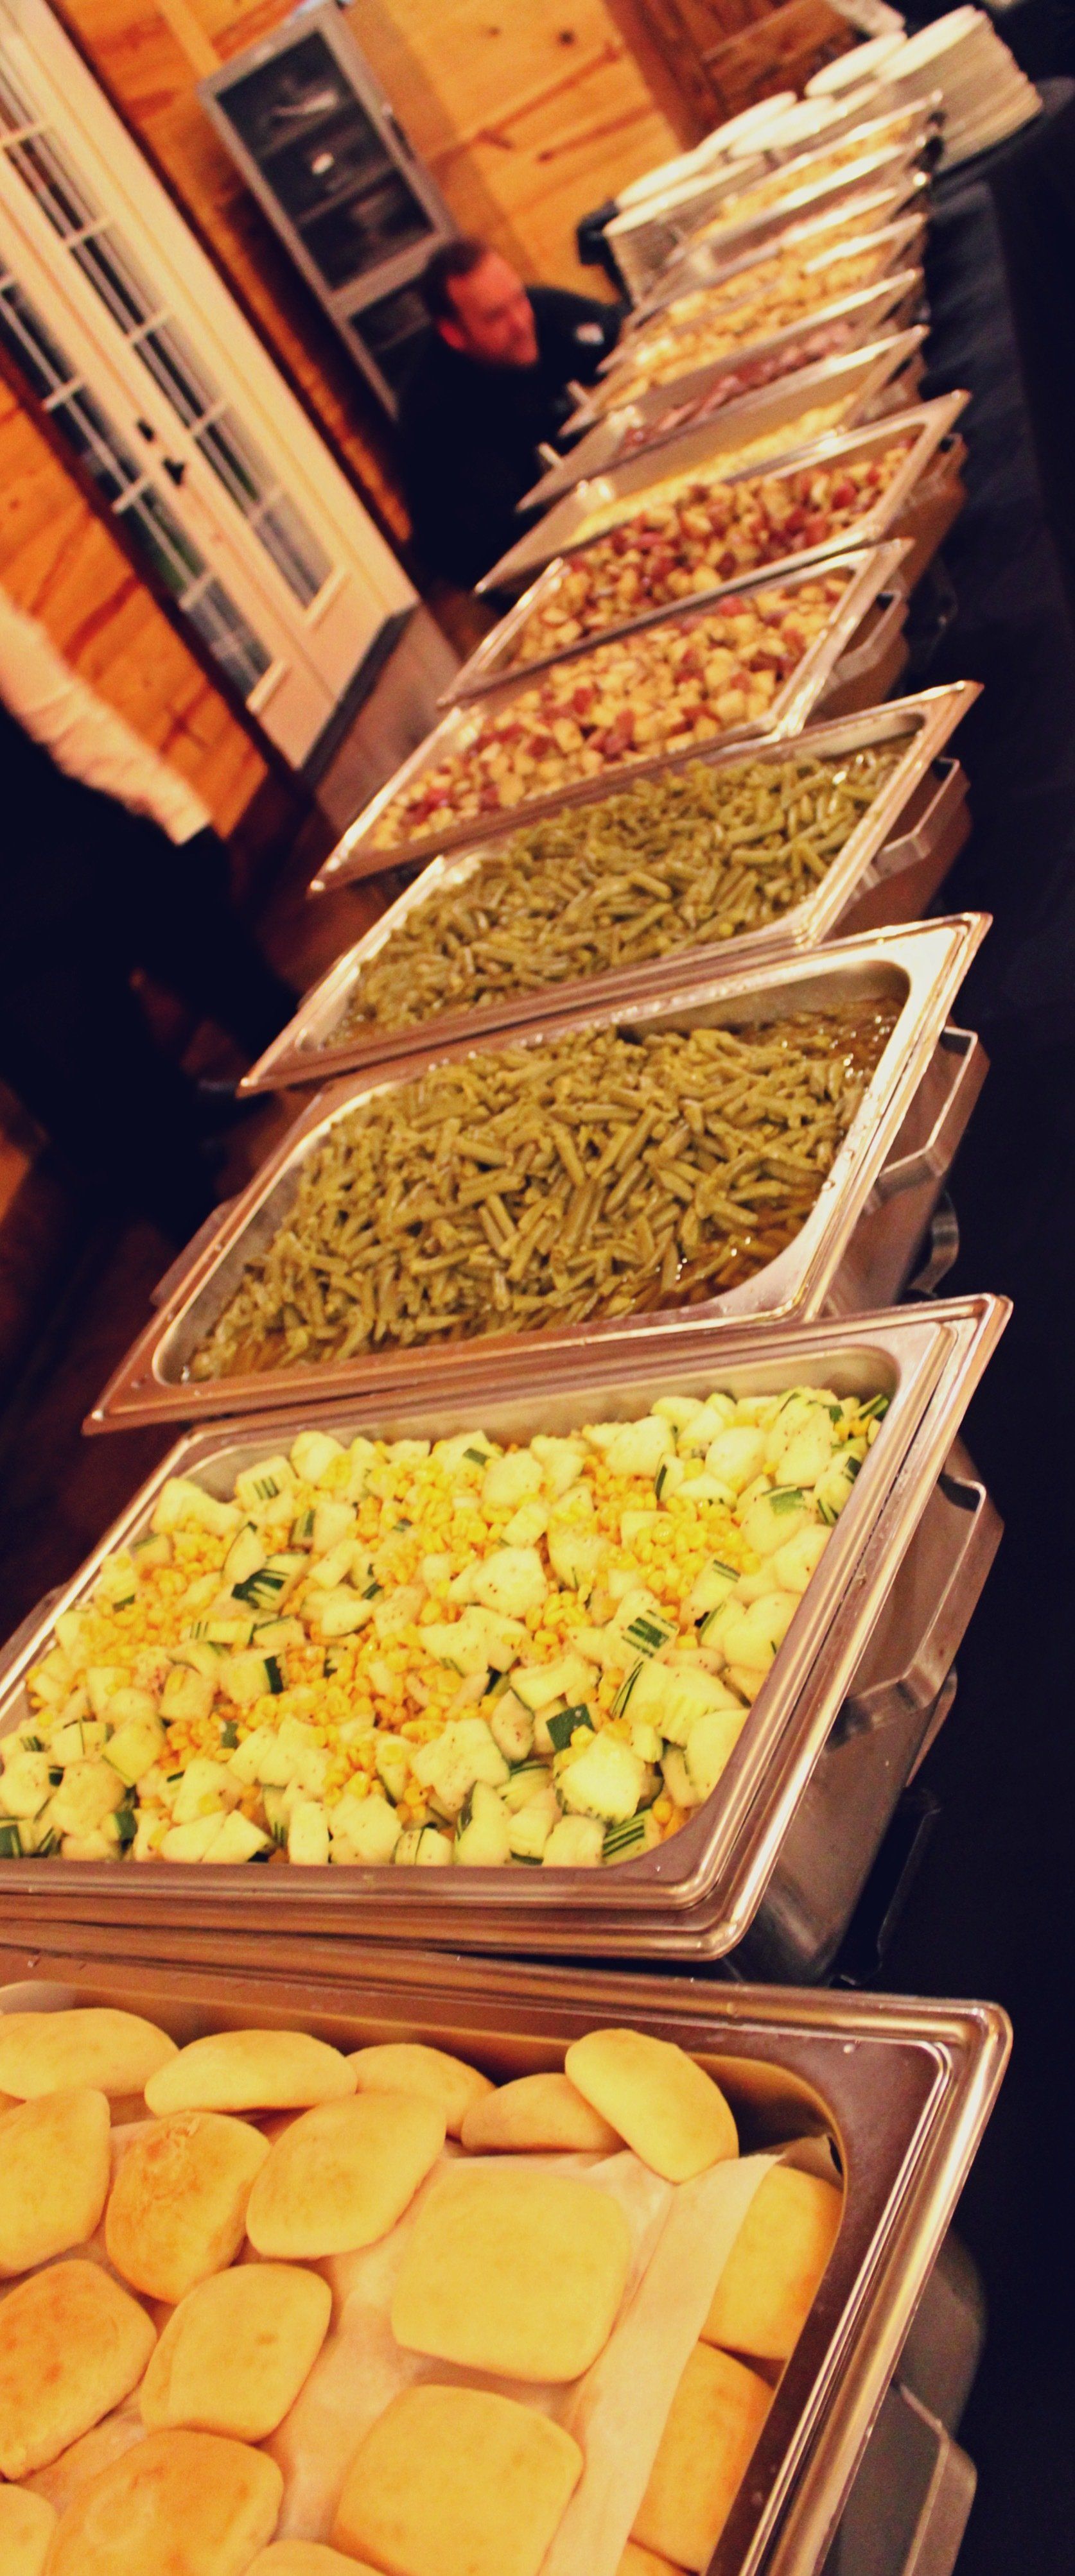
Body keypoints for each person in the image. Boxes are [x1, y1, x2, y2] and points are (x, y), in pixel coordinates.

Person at [0, 588, 296, 1245]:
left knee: (263, 1015)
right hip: (38, 917)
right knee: (150, 1145)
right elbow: (64, 715)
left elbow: (59, 715)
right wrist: (179, 813)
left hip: (77, 855)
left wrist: (174, 810)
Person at [396, 238, 624, 589]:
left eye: (518, 298)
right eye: (495, 316)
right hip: (497, 559)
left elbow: (618, 330)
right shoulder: (437, 414)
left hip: (577, 500)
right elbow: (507, 546)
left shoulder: (534, 312)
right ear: (454, 333)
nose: (520, 321)